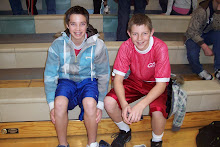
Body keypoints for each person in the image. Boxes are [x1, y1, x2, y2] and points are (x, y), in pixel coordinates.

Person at [44, 5, 110, 147]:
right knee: (59, 103)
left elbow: (104, 75)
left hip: (88, 82)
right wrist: (51, 105)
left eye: (82, 24)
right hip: (66, 81)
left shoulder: (98, 45)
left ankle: (92, 144)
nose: (78, 29)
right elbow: (50, 75)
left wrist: (100, 103)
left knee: (90, 103)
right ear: (67, 25)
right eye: (73, 24)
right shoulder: (57, 45)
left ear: (87, 24)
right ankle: (63, 144)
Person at [104, 14, 171, 147]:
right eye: (135, 34)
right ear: (129, 33)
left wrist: (140, 106)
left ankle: (156, 141)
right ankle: (125, 130)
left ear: (152, 32)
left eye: (144, 33)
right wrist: (124, 105)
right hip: (135, 81)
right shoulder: (125, 47)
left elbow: (161, 85)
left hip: (155, 84)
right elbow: (117, 80)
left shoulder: (160, 47)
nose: (140, 39)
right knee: (109, 102)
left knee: (158, 111)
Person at [185, 0, 220, 81]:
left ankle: (218, 69)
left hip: (207, 34)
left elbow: (217, 28)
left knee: (219, 34)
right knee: (192, 52)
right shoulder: (201, 10)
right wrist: (205, 47)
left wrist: (218, 13)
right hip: (193, 35)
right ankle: (199, 70)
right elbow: (192, 32)